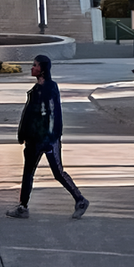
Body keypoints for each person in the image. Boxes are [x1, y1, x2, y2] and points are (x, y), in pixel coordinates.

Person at [8, 55, 87, 220]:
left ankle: (80, 200)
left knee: (58, 172)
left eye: (35, 65)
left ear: (42, 69)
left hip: (47, 139)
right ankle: (23, 206)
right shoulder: (36, 90)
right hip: (33, 139)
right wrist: (23, 134)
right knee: (28, 172)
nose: (32, 68)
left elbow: (52, 114)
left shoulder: (50, 88)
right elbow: (29, 115)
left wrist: (50, 137)